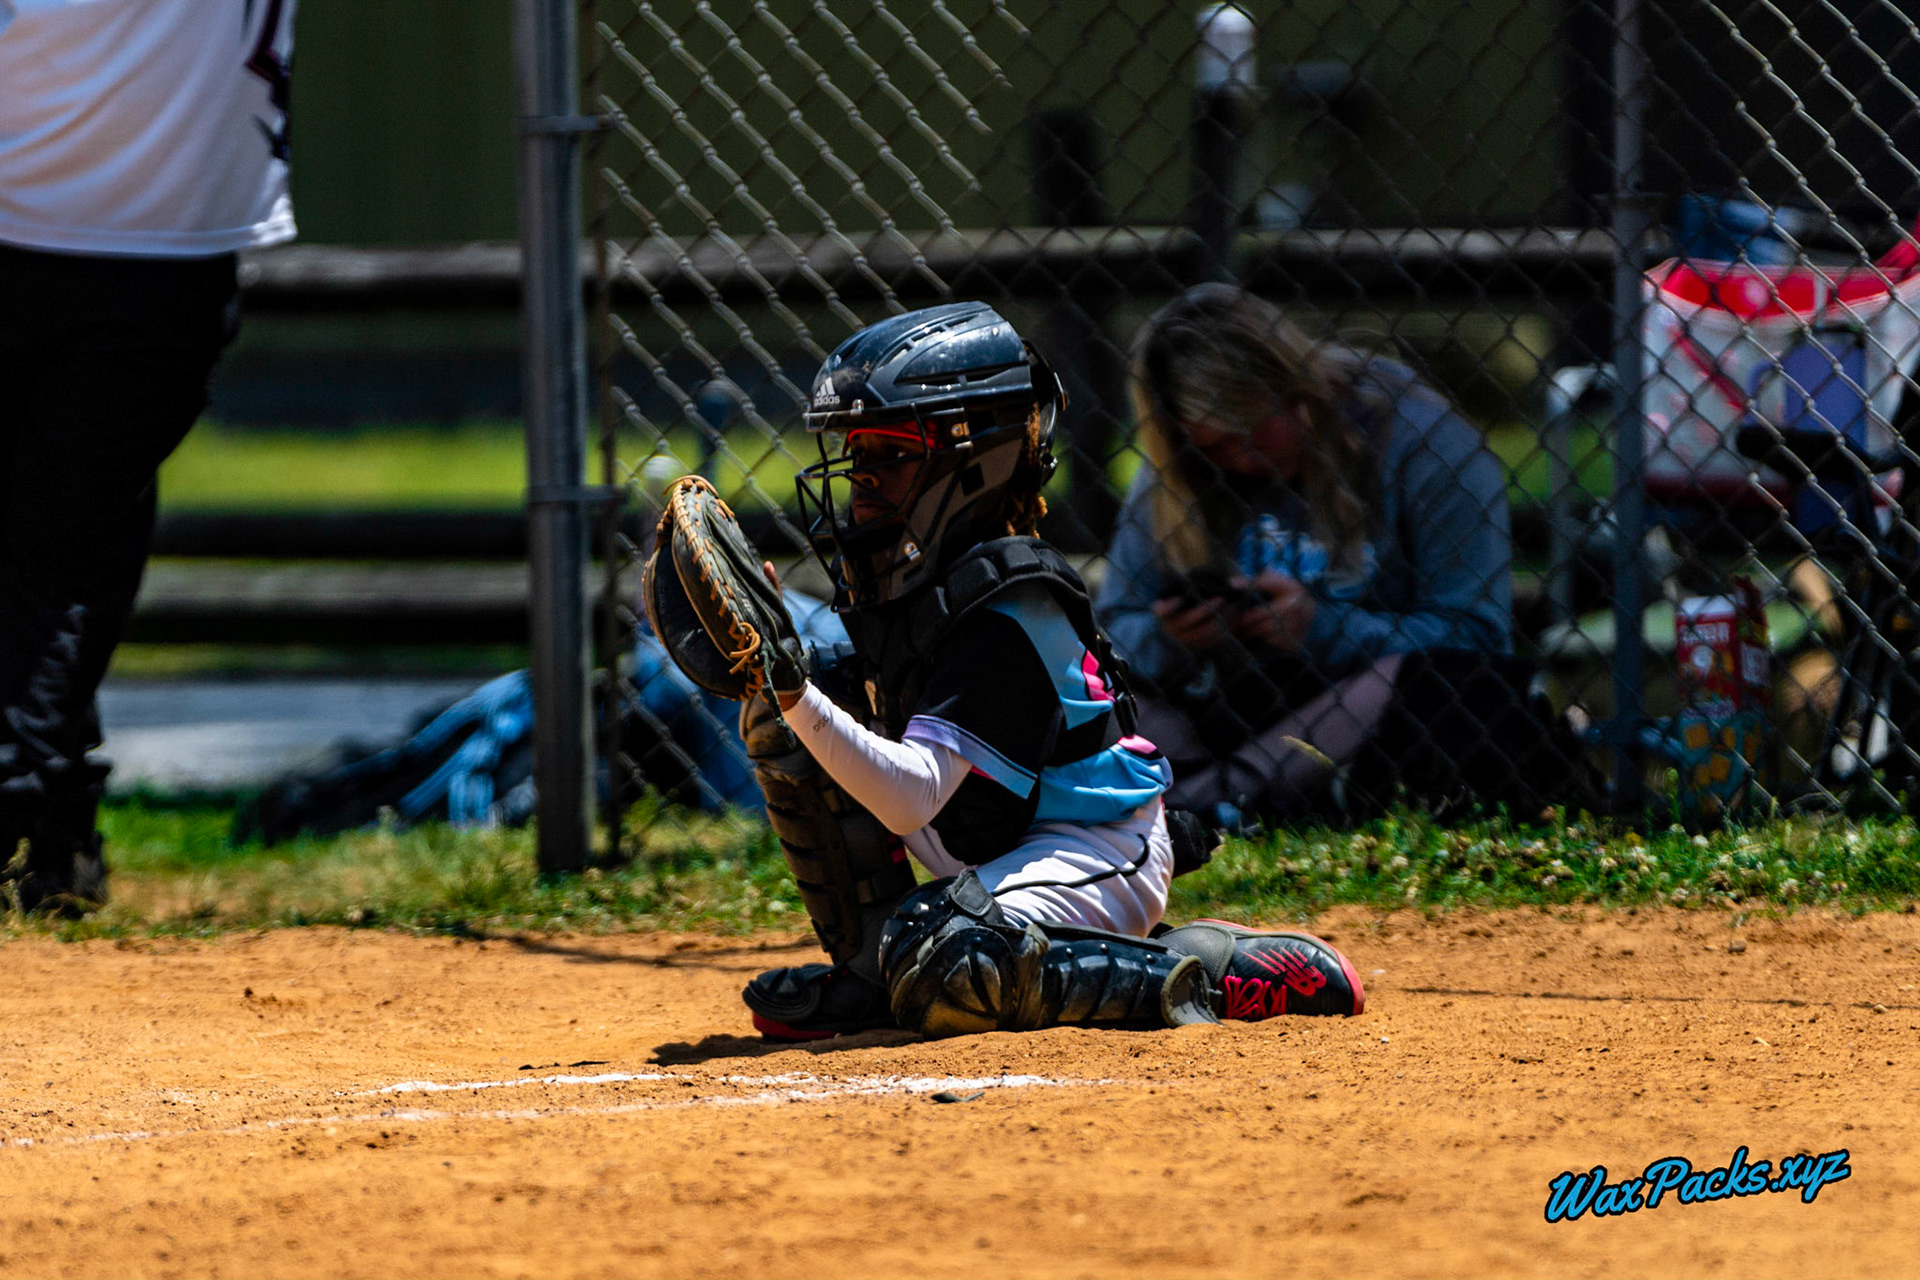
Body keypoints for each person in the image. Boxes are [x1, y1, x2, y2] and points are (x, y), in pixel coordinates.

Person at [727, 302, 1363, 1040]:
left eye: (889, 452)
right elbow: (833, 710)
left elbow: (911, 799)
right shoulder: (909, 585)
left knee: (952, 958)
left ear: (970, 462)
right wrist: (769, 662)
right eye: (855, 451)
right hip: (1000, 842)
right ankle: (873, 969)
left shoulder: (1008, 610)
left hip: (1094, 849)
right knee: (791, 723)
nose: (860, 477)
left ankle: (1207, 974)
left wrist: (790, 686)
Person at [0, 0, 297, 911]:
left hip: (129, 247)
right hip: (161, 258)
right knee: (77, 535)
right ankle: (54, 825)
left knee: (64, 542)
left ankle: (22, 790)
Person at [1098, 284, 1561, 827]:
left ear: (1295, 391)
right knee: (1081, 682)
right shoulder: (1180, 461)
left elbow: (1479, 639)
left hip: (1360, 709)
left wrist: (1321, 627)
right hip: (1217, 704)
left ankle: (1216, 801)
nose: (1241, 459)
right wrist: (1174, 639)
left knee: (1453, 684)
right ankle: (1222, 801)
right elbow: (1115, 628)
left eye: (1252, 433)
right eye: (1218, 447)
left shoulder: (1423, 438)